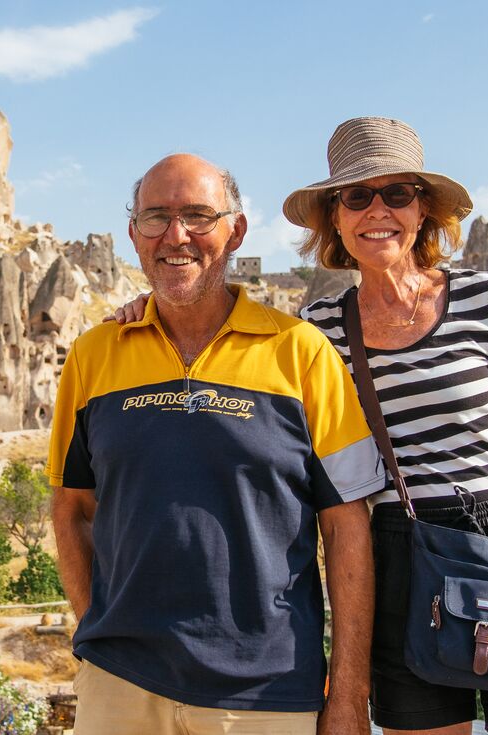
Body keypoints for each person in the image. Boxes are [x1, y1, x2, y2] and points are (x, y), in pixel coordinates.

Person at [113, 119, 488, 735]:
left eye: (397, 194)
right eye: (357, 196)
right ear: (335, 217)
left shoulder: (485, 298)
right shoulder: (319, 330)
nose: (377, 210)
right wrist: (153, 307)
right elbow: (233, 349)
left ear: (424, 211)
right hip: (404, 556)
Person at [47, 153, 386, 735]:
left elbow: (347, 526)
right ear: (134, 233)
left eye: (199, 216)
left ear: (237, 230)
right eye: (155, 217)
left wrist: (350, 693)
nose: (175, 236)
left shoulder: (300, 352)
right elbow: (71, 507)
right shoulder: (93, 355)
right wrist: (91, 630)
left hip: (266, 694)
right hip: (119, 688)